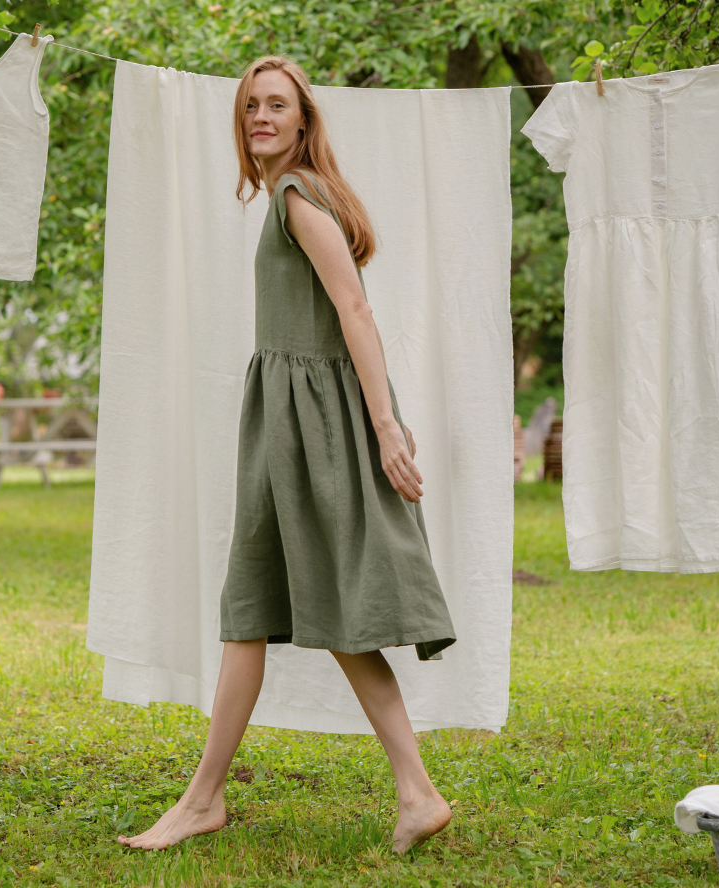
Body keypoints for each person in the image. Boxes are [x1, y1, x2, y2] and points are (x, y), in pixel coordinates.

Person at [117, 56, 457, 855]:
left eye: (276, 106)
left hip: (315, 427)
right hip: (293, 420)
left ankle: (205, 801)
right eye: (250, 107)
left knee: (255, 605)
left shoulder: (299, 197)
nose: (261, 118)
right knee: (278, 607)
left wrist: (386, 427)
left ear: (304, 120)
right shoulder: (290, 195)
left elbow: (355, 310)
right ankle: (414, 793)